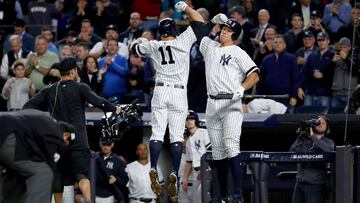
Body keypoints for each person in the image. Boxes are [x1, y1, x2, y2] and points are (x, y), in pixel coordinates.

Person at [130, 1, 204, 199]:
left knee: (156, 134)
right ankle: (172, 172)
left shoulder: (154, 45)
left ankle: (153, 167)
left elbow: (134, 49)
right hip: (178, 92)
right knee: (177, 137)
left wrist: (139, 42)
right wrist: (185, 8)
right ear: (174, 30)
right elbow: (199, 21)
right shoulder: (182, 41)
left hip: (160, 91)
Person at [23, 57, 121, 203]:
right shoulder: (80, 87)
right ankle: (89, 200)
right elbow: (99, 102)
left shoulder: (49, 90)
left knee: (58, 177)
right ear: (73, 71)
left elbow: (27, 107)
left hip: (58, 142)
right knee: (81, 175)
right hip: (79, 142)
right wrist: (116, 109)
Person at [200, 18, 260, 202]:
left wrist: (242, 88)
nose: (223, 31)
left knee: (231, 146)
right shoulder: (210, 47)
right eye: (223, 28)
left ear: (234, 34)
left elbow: (255, 75)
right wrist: (212, 21)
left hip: (231, 103)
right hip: (212, 103)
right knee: (218, 152)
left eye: (228, 30)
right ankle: (223, 195)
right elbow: (198, 31)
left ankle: (237, 194)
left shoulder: (237, 52)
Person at [0, 109, 74, 203]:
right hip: (8, 133)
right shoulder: (56, 130)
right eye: (68, 143)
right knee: (44, 172)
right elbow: (49, 165)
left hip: (6, 128)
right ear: (66, 135)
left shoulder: (43, 119)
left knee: (18, 172)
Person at [290, 116, 335, 203]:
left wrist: (313, 137)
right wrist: (300, 136)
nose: (320, 125)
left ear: (327, 128)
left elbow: (328, 150)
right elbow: (292, 151)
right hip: (299, 183)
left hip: (316, 185)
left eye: (323, 123)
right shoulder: (305, 141)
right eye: (318, 123)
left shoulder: (329, 142)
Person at [182, 110, 211, 203]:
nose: (189, 121)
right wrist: (185, 178)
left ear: (196, 121)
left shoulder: (203, 132)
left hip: (207, 170)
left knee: (205, 199)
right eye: (187, 119)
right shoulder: (188, 140)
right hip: (195, 173)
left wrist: (203, 169)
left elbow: (211, 152)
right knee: (197, 200)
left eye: (192, 119)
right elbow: (188, 161)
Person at [95, 137, 128, 203]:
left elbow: (124, 179)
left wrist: (116, 179)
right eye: (104, 144)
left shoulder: (118, 161)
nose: (106, 147)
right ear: (100, 144)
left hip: (108, 196)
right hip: (93, 194)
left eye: (108, 144)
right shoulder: (94, 157)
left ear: (112, 145)